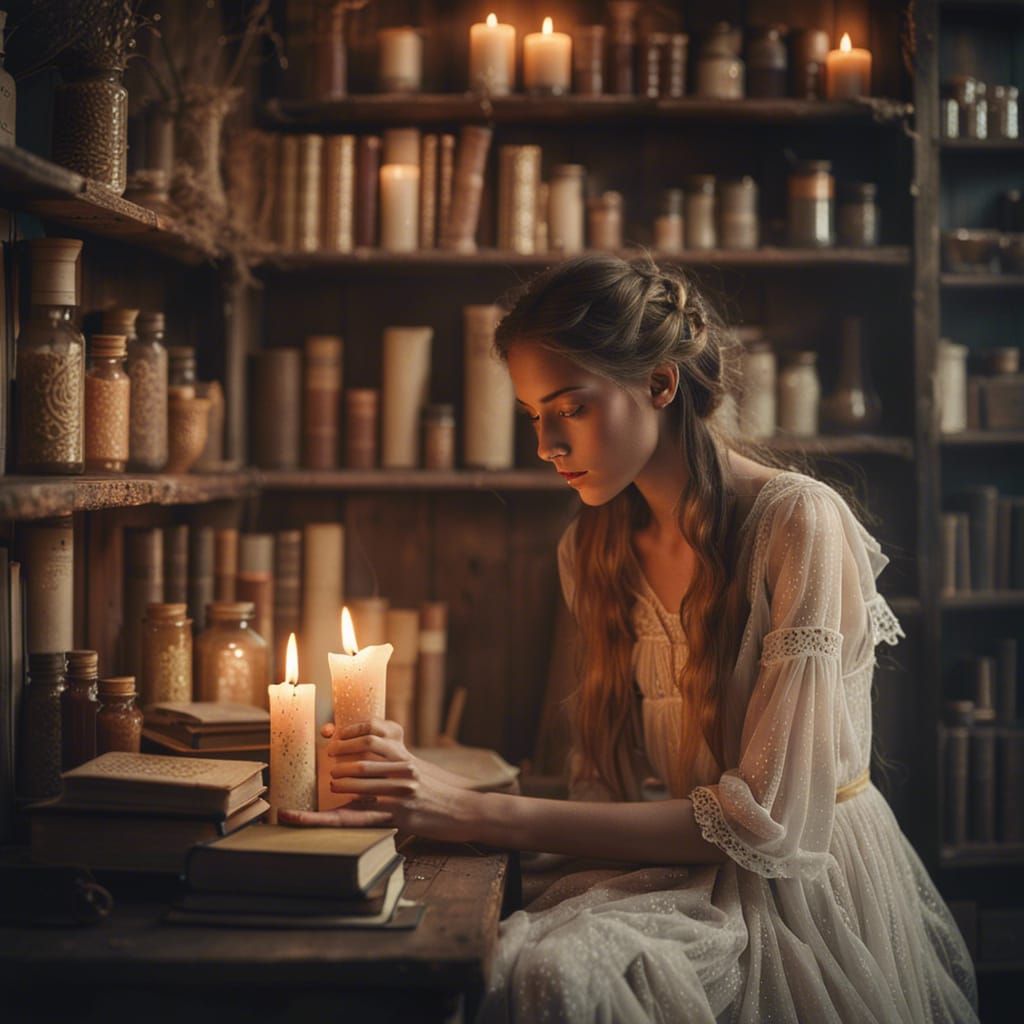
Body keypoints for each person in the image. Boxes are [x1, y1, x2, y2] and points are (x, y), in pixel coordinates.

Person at [281, 254, 978, 1023]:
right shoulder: (595, 547)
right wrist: (415, 792)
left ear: (660, 384)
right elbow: (604, 791)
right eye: (533, 415)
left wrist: (472, 811)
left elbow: (765, 823)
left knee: (554, 974)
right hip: (679, 866)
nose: (546, 443)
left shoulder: (796, 522)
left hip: (803, 888)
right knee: (491, 959)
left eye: (571, 408)